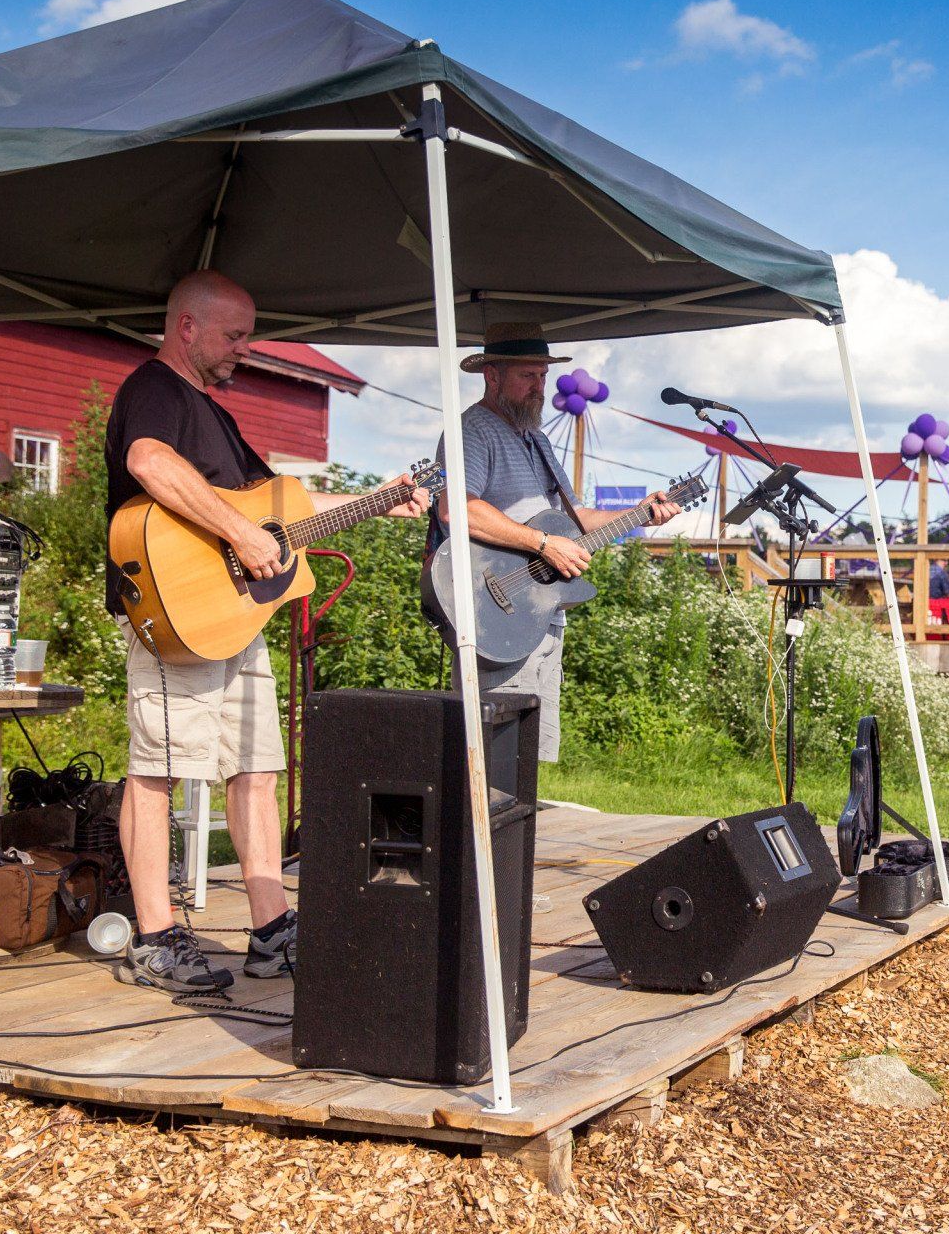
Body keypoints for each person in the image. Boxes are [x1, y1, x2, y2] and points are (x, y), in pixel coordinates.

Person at [105, 271, 432, 993]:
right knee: (157, 772)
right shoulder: (155, 390)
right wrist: (239, 536)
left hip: (234, 618)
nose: (244, 350)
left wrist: (381, 501)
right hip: (175, 613)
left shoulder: (214, 413)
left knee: (255, 769)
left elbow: (286, 510)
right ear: (187, 327)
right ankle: (155, 937)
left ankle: (271, 928)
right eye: (235, 335)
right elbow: (148, 462)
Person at [431, 323, 679, 763]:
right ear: (492, 375)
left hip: (541, 616)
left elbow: (576, 519)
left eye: (543, 376)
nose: (539, 387)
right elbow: (457, 509)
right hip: (496, 613)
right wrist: (544, 544)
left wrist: (641, 511)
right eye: (529, 375)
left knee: (528, 763)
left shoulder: (538, 440)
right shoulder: (472, 430)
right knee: (494, 757)